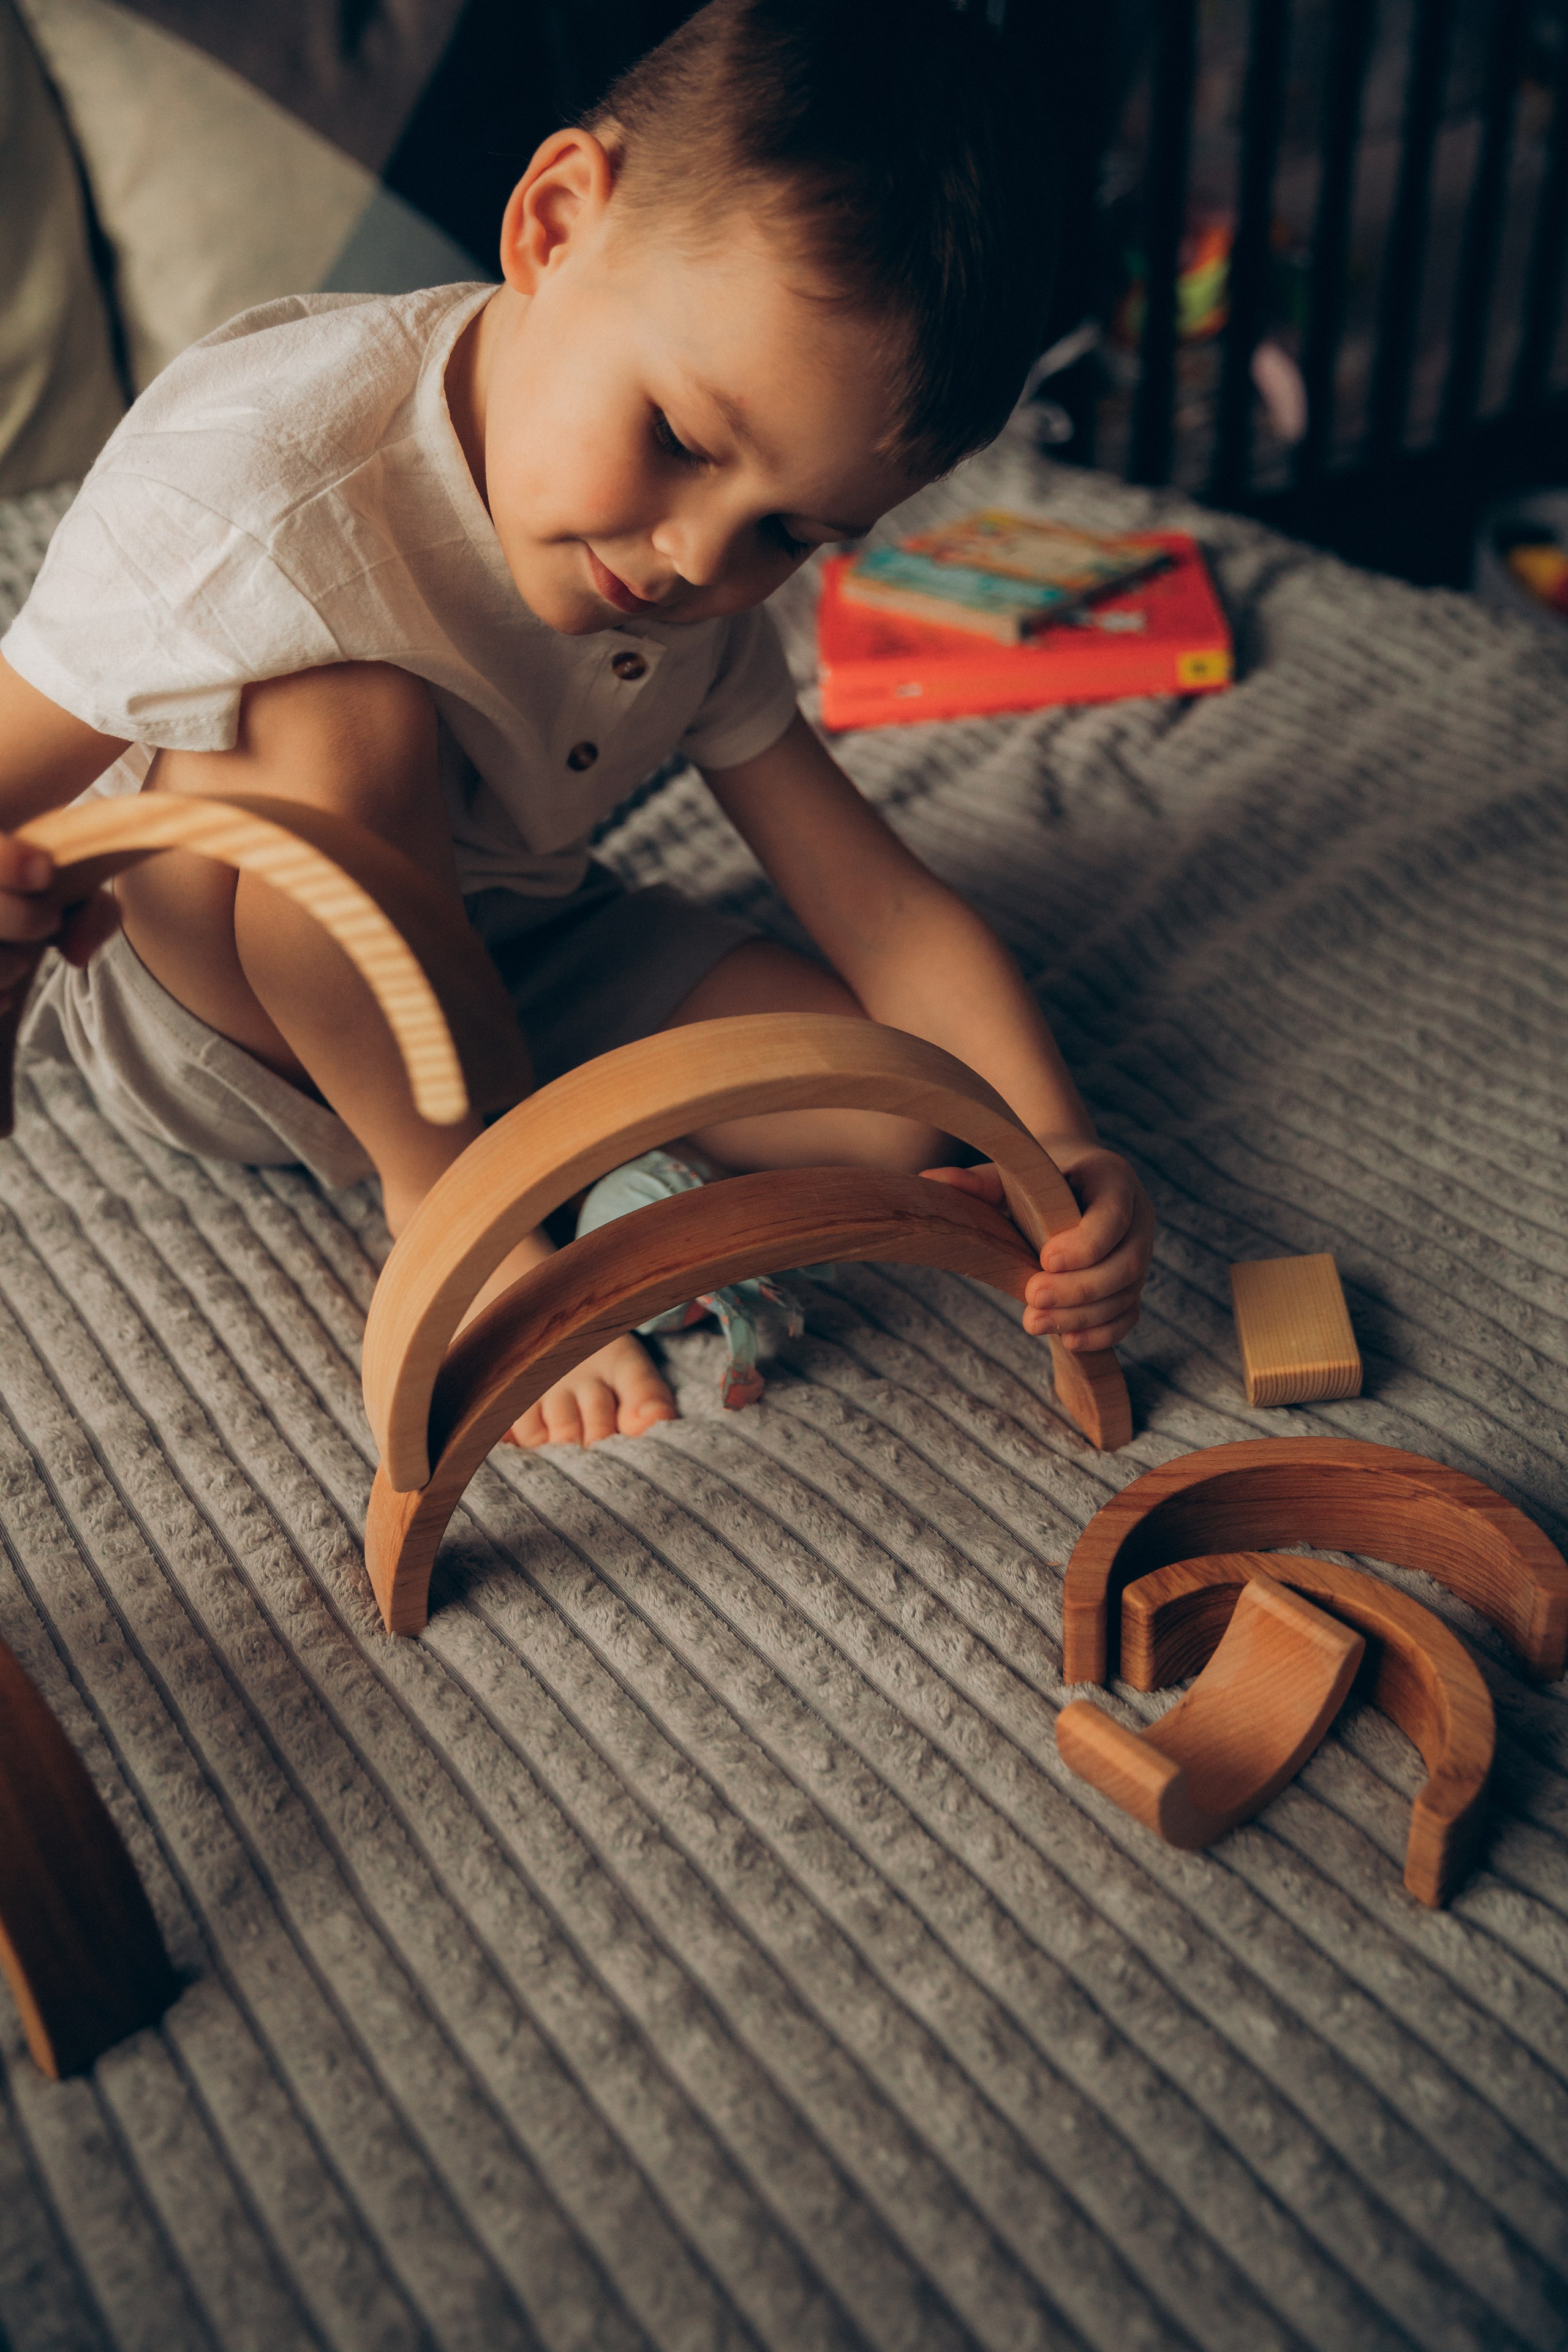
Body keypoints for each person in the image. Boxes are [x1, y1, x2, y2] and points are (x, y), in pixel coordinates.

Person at [0, 0, 1153, 1447]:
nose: (696, 562)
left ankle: (597, 1178)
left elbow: (877, 901)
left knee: (889, 1117)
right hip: (227, 996)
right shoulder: (258, 480)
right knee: (339, 704)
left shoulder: (701, 571)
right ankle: (458, 1216)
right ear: (552, 225)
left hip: (508, 948)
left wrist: (1048, 1141)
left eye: (790, 530)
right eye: (677, 440)